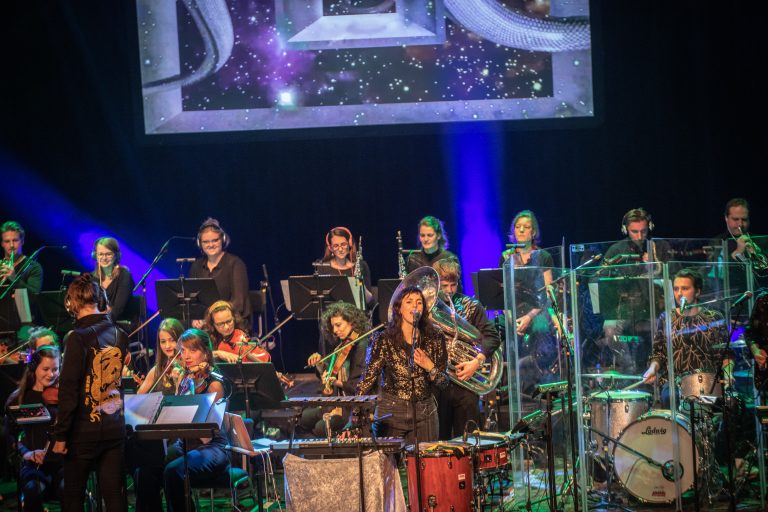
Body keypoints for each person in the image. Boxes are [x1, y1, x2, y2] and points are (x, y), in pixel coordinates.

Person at [52, 274, 130, 511]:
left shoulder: (76, 338)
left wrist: (60, 435)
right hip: (114, 427)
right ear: (101, 300)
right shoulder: (120, 335)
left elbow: (68, 391)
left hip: (83, 432)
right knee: (115, 497)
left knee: (73, 496)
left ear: (71, 304)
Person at [355, 286, 449, 444]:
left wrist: (430, 367)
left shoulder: (435, 336)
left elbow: (444, 382)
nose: (415, 306)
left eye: (419, 303)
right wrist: (356, 413)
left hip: (425, 411)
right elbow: (368, 379)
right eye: (409, 302)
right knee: (390, 467)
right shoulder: (383, 339)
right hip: (391, 411)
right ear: (398, 308)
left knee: (424, 465)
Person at [432, 259, 501, 440]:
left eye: (453, 285)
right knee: (439, 442)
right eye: (444, 285)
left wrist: (476, 362)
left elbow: (492, 337)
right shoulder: (426, 309)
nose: (449, 290)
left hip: (466, 382)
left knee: (468, 439)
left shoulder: (471, 306)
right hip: (437, 384)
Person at [642, 268, 733, 403]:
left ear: (697, 291)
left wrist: (728, 373)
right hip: (675, 382)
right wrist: (652, 369)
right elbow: (658, 354)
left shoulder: (714, 317)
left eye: (685, 288)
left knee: (731, 403)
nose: (679, 294)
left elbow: (726, 354)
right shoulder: (666, 317)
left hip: (708, 380)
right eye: (676, 289)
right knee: (669, 397)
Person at [163, 329, 227, 512]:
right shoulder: (185, 379)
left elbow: (204, 434)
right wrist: (180, 387)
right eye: (183, 351)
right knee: (147, 468)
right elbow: (176, 418)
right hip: (185, 443)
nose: (186, 356)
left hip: (212, 446)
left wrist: (188, 389)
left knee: (173, 471)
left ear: (206, 353)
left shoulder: (214, 384)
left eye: (192, 350)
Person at [4, 345, 62, 511]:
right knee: (32, 490)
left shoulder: (65, 396)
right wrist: (27, 453)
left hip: (62, 464)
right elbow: (11, 436)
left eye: (55, 369)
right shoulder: (19, 398)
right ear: (33, 367)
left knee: (69, 489)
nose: (51, 374)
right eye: (45, 369)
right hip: (34, 466)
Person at [302, 301, 370, 436]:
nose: (335, 330)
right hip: (337, 404)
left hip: (352, 408)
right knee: (302, 418)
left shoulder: (362, 346)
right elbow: (329, 370)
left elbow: (360, 385)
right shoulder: (343, 346)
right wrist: (320, 364)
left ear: (352, 322)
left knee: (320, 427)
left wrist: (337, 382)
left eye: (338, 325)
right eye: (333, 326)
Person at [189, 218, 252, 331]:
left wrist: (211, 319)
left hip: (231, 324)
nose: (211, 245)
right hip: (206, 327)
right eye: (206, 242)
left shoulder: (236, 264)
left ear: (222, 239)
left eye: (215, 240)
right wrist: (195, 319)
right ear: (200, 244)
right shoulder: (196, 266)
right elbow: (193, 302)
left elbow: (238, 303)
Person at [316, 226, 373, 307]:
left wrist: (360, 283)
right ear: (330, 248)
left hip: (357, 314)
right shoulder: (323, 267)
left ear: (349, 244)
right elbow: (322, 303)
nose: (340, 249)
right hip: (334, 315)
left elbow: (370, 301)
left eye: (343, 244)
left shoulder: (361, 265)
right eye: (336, 246)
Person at [203, 300, 270, 363]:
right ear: (212, 324)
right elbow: (201, 356)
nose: (227, 327)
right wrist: (218, 353)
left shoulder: (240, 335)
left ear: (234, 318)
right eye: (220, 324)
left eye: (229, 321)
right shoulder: (207, 338)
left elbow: (264, 359)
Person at [91, 237, 135, 323]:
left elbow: (118, 310)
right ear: (95, 256)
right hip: (99, 326)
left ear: (117, 256)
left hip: (120, 327)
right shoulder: (92, 278)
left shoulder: (124, 275)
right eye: (100, 254)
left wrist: (98, 325)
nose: (104, 258)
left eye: (108, 254)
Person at [0, 220, 43, 295]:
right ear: (2, 244)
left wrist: (15, 280)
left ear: (22, 241)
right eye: (7, 241)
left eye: (15, 240)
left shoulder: (33, 267)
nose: (11, 245)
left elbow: (35, 295)